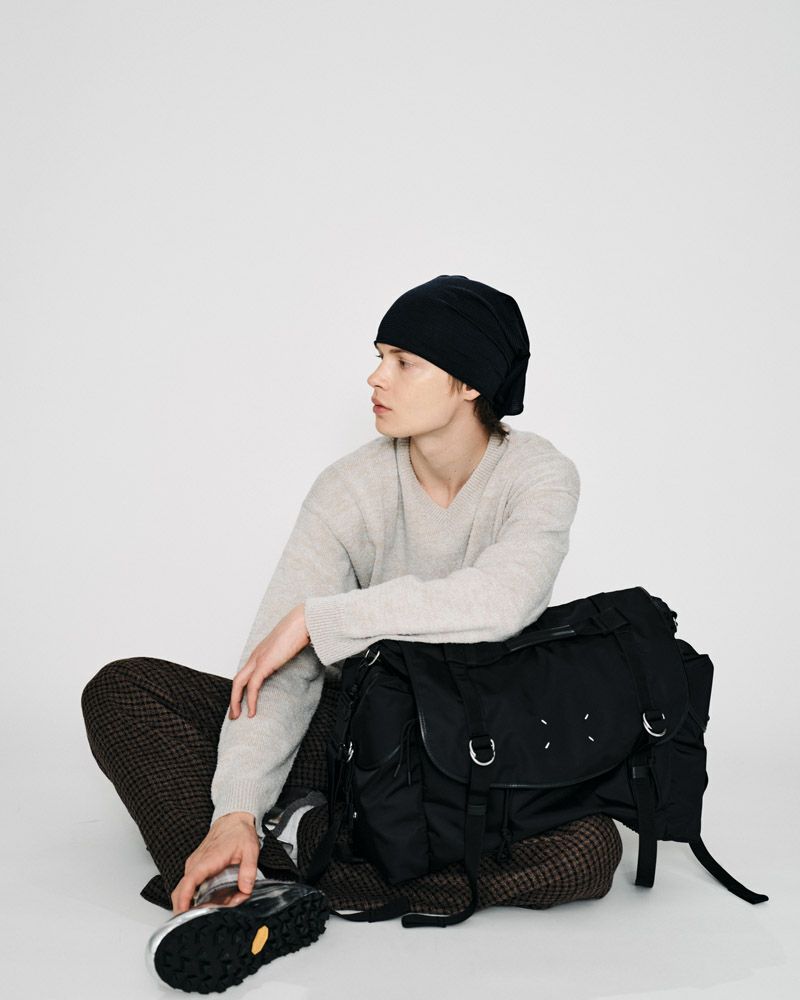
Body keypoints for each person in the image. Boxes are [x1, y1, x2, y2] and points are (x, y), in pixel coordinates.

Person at [81, 274, 622, 994]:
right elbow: (278, 670)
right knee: (124, 689)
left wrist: (323, 619)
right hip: (355, 742)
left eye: (404, 361)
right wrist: (236, 807)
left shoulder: (538, 475)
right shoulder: (349, 487)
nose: (375, 378)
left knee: (589, 852)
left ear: (469, 383)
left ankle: (307, 862)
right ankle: (239, 870)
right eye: (379, 356)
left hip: (471, 755)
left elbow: (502, 601)